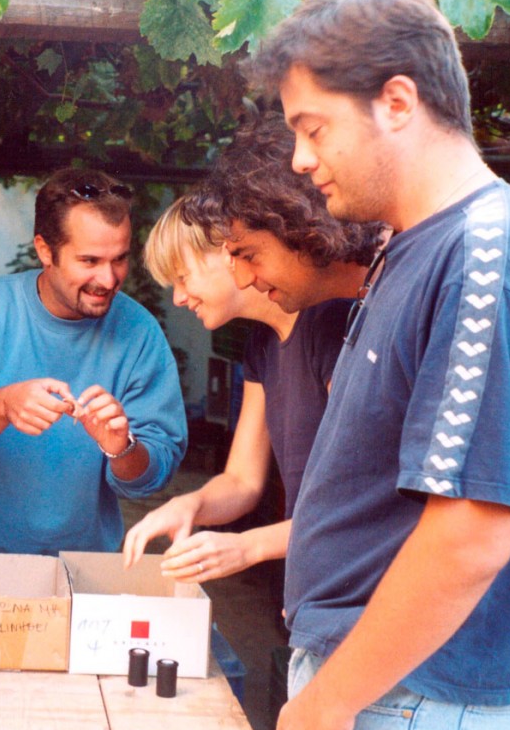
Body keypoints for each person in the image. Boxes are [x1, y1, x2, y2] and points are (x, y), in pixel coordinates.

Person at [198, 118, 510, 730]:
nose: (242, 277)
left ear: (299, 220)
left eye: (247, 253)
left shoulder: (501, 264)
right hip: (489, 584)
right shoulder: (387, 282)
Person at [250, 0, 510, 730]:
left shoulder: (485, 260)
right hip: (386, 690)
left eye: (314, 128)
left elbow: (470, 533)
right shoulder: (416, 245)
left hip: (412, 702)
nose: (301, 160)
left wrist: (330, 702)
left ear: (397, 102)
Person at [0, 168, 187, 574]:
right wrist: (0, 407)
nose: (108, 279)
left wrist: (121, 447)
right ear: (44, 250)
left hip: (81, 566)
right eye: (89, 260)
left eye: (120, 259)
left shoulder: (139, 333)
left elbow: (152, 476)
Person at [122, 183, 359, 581]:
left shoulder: (329, 322)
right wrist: (190, 504)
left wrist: (249, 547)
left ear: (229, 252)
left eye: (182, 277)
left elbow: (362, 505)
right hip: (318, 582)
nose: (178, 298)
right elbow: (243, 481)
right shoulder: (262, 344)